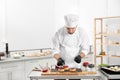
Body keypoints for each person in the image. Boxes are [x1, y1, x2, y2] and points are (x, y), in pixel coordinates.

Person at [52, 14, 89, 80]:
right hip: (61, 65)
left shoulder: (82, 33)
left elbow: (85, 49)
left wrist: (80, 56)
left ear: (76, 26)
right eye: (68, 28)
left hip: (75, 65)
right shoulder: (58, 33)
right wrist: (58, 59)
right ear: (65, 26)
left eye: (73, 28)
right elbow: (55, 50)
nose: (70, 31)